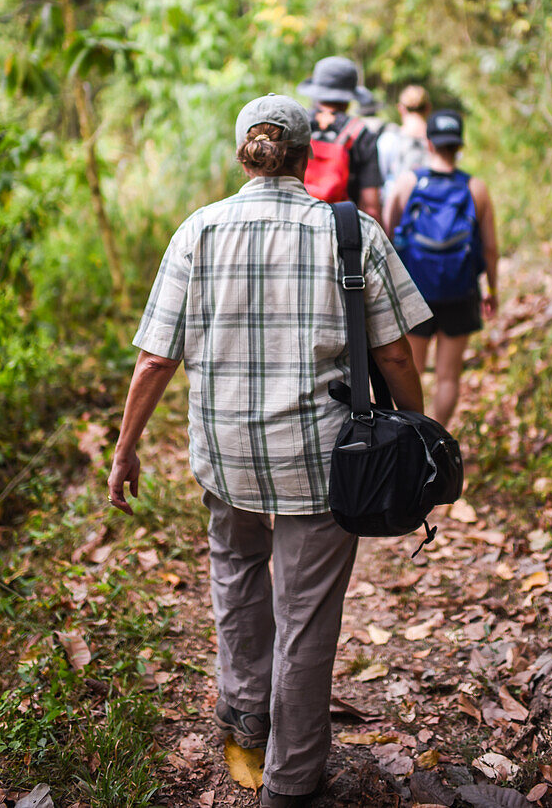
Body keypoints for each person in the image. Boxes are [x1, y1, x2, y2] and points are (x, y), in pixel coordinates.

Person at [107, 94, 431, 808]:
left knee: (235, 580)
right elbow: (397, 353)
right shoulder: (351, 233)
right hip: (322, 462)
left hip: (224, 456)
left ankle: (245, 716)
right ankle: (290, 782)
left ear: (243, 154)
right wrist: (419, 431)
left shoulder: (199, 230)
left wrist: (125, 448)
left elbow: (155, 361)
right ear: (307, 153)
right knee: (306, 614)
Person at [384, 108, 498, 429]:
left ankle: (411, 440)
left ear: (429, 144)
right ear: (458, 146)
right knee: (448, 376)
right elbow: (490, 248)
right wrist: (492, 289)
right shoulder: (476, 188)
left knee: (412, 371)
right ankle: (437, 440)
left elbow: (390, 236)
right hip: (460, 291)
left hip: (415, 291)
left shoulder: (408, 183)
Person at [297, 56, 382, 221]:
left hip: (298, 221)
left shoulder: (297, 123)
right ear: (349, 98)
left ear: (316, 92)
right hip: (341, 228)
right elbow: (370, 205)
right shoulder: (361, 134)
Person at [376, 84, 433, 203]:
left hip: (396, 208)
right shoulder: (437, 140)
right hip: (430, 208)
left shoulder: (389, 139)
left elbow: (379, 179)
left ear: (401, 108)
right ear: (428, 108)